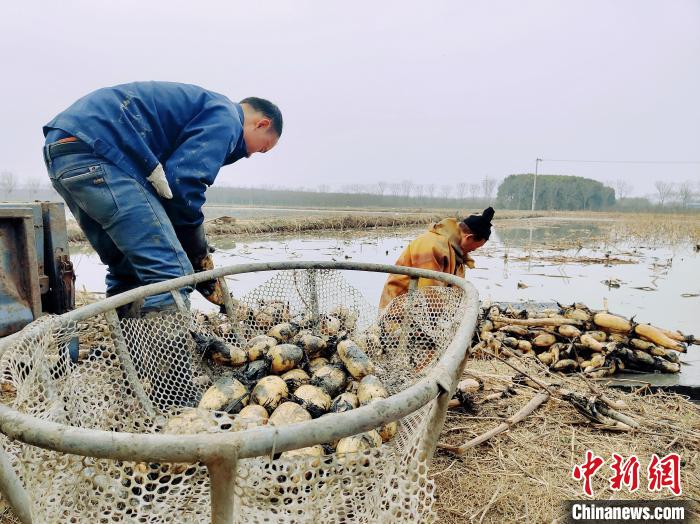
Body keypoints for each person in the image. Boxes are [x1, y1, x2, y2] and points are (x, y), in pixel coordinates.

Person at [42, 81, 282, 316]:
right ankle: (167, 356)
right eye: (262, 148)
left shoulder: (207, 107)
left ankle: (133, 351)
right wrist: (197, 250)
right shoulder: (227, 118)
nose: (251, 155)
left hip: (65, 153)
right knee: (172, 273)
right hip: (100, 153)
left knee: (127, 269)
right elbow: (183, 183)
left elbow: (169, 188)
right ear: (261, 124)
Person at [379, 207, 494, 309]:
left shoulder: (457, 254)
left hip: (422, 310)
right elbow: (429, 295)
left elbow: (455, 292)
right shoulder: (432, 246)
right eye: (473, 248)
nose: (472, 251)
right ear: (469, 238)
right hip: (399, 311)